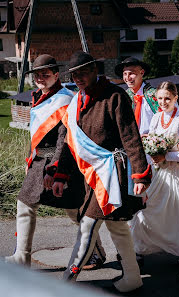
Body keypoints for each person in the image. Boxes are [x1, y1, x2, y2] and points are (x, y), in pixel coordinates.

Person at [52, 51, 151, 293]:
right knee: (117, 228)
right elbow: (68, 141)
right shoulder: (76, 101)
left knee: (88, 225)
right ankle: (133, 277)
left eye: (83, 73)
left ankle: (66, 283)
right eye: (74, 75)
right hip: (91, 176)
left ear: (95, 71)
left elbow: (130, 136)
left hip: (111, 174)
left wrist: (140, 174)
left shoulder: (115, 96)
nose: (78, 78)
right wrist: (60, 174)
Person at [5, 54, 84, 266]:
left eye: (45, 74)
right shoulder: (38, 97)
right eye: (37, 75)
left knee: (74, 210)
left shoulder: (65, 99)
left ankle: (95, 250)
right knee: (25, 204)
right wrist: (30, 159)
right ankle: (22, 256)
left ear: (56, 75)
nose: (40, 78)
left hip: (59, 163)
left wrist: (56, 168)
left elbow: (63, 139)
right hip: (38, 162)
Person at [129, 81, 179, 263]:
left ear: (175, 98)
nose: (163, 102)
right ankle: (139, 248)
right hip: (160, 173)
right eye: (160, 98)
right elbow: (150, 144)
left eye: (167, 98)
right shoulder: (155, 118)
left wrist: (167, 156)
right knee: (146, 211)